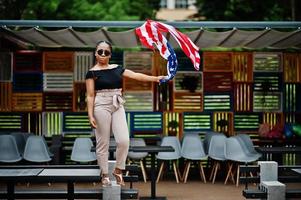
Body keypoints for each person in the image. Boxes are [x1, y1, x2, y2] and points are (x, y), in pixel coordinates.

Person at [85, 40, 166, 187]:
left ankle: (118, 170)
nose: (102, 54)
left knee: (124, 140)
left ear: (110, 55)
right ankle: (104, 174)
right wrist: (90, 115)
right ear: (95, 53)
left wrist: (155, 78)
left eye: (106, 52)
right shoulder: (91, 72)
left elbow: (136, 75)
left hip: (117, 102)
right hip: (100, 104)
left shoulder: (117, 68)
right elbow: (90, 95)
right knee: (103, 142)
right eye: (100, 51)